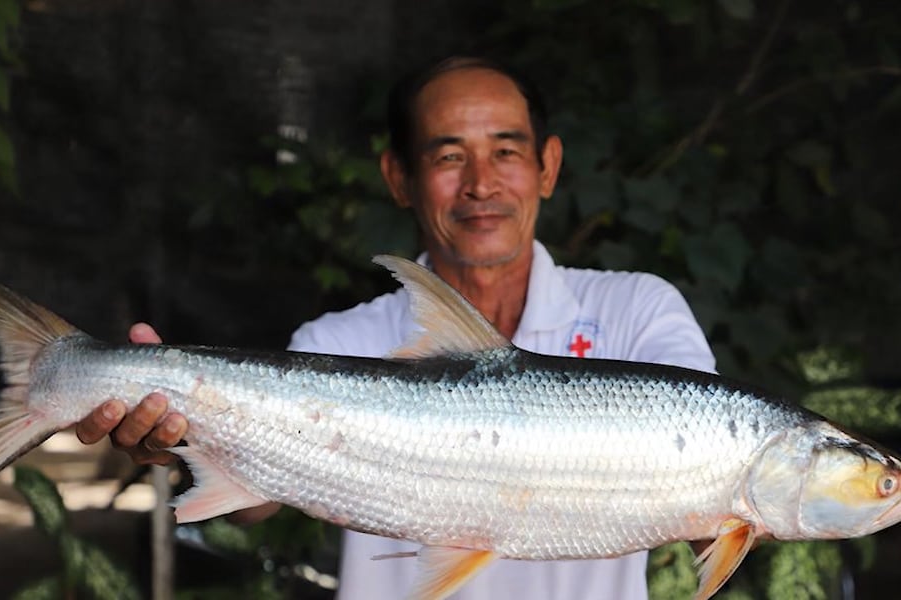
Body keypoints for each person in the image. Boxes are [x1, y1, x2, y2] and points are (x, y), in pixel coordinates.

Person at [74, 56, 716, 599]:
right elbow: (255, 500)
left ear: (547, 166)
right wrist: (179, 430)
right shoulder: (336, 342)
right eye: (448, 156)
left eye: (506, 151)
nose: (481, 184)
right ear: (398, 178)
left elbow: (711, 474)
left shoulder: (641, 311)